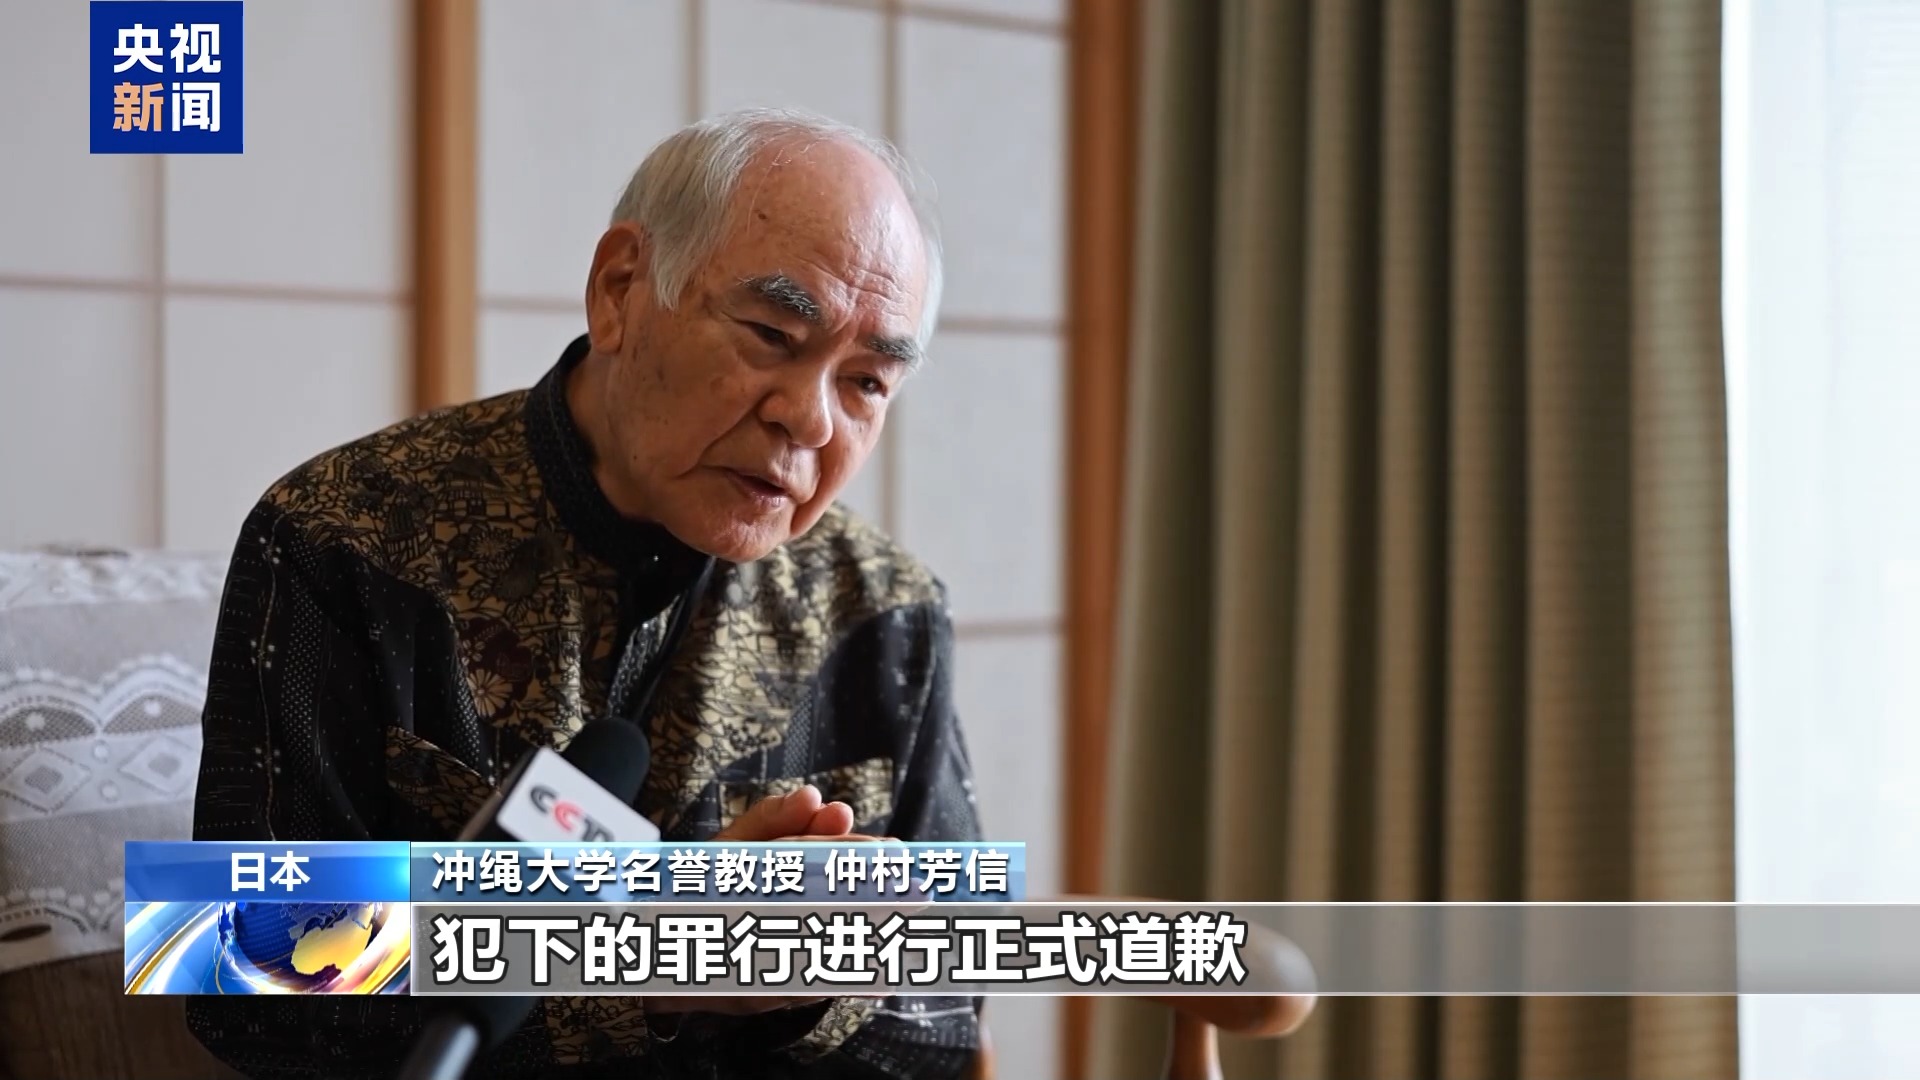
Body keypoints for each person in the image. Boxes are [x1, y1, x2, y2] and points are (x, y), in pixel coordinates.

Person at [187, 108, 982, 1079]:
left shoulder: (885, 609)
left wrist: (802, 972)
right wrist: (648, 961)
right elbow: (243, 967)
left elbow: (948, 1015)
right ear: (619, 290)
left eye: (866, 383)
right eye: (774, 334)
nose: (808, 419)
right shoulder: (346, 537)